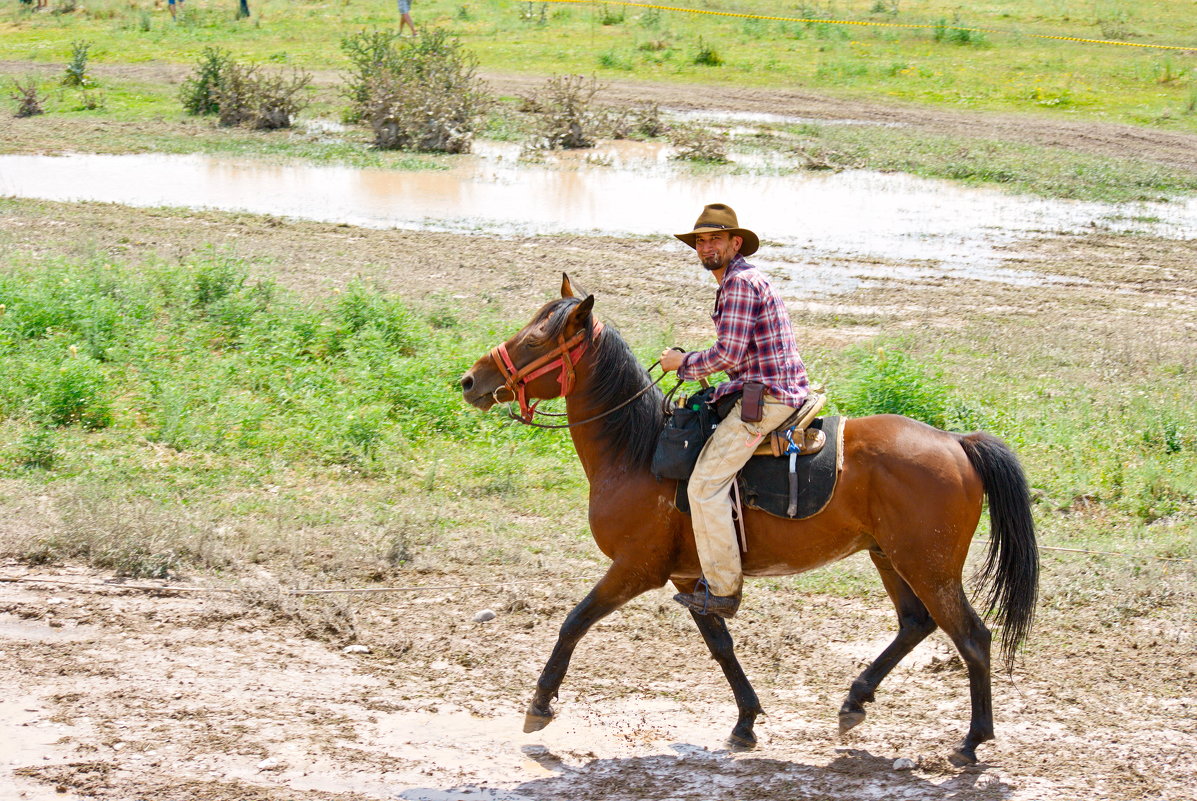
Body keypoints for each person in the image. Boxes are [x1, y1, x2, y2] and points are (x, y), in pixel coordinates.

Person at [659, 203, 810, 619]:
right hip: (761, 385)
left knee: (704, 484)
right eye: (700, 241)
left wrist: (682, 363)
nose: (706, 246)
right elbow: (740, 358)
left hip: (771, 396)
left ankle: (723, 590)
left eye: (715, 239)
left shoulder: (739, 284)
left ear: (735, 243)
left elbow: (728, 353)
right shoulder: (739, 281)